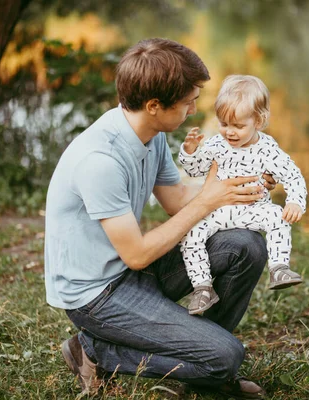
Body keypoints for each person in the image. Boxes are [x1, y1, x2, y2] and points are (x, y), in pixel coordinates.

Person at [44, 38, 273, 399]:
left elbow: (177, 199)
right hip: (97, 296)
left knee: (247, 244)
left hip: (128, 271)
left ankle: (202, 360)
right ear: (154, 105)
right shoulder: (100, 161)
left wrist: (236, 183)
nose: (195, 110)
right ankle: (94, 350)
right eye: (188, 102)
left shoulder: (148, 135)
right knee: (227, 356)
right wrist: (208, 202)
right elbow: (137, 254)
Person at [178, 75, 308, 315]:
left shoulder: (268, 149)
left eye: (238, 126)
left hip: (253, 209)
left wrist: (295, 201)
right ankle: (203, 288)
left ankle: (279, 268)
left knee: (278, 217)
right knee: (190, 235)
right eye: (224, 124)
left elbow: (292, 175)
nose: (230, 132)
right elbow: (195, 170)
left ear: (258, 121)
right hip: (217, 210)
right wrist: (189, 152)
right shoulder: (216, 144)